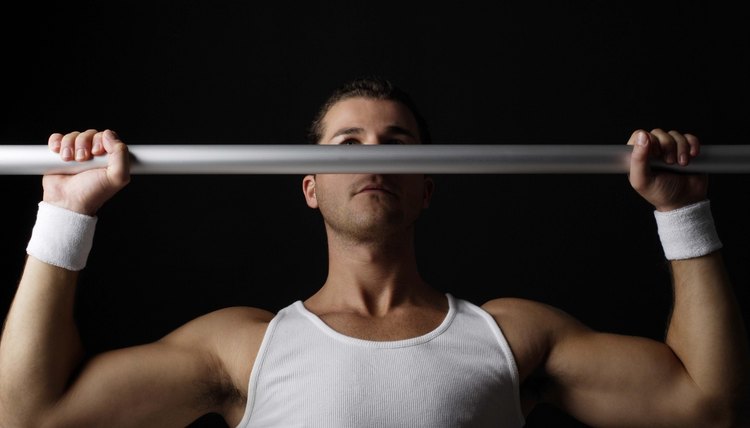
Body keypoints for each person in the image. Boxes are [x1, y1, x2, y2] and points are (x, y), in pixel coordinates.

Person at [0, 76, 747, 428]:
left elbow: (709, 403)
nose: (373, 158)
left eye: (398, 144)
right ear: (310, 187)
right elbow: (32, 413)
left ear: (429, 185)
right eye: (346, 144)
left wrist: (685, 215)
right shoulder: (243, 347)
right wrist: (63, 217)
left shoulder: (512, 335)